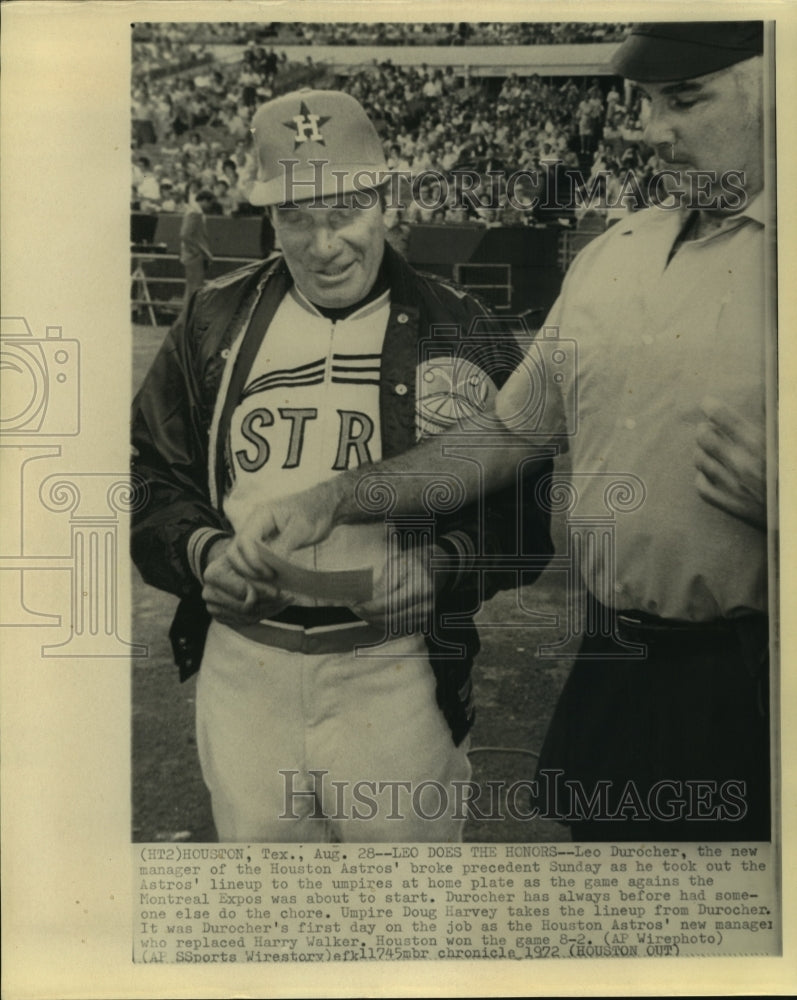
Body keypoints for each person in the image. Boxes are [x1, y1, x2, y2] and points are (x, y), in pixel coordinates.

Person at [231, 24, 773, 842]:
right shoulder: (613, 256)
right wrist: (337, 494)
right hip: (617, 662)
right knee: (621, 944)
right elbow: (504, 435)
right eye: (648, 102)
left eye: (685, 98)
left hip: (762, 673)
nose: (651, 128)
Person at [131, 88, 553, 842]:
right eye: (295, 216)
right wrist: (204, 553)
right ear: (268, 216)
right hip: (244, 671)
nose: (323, 244)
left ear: (385, 200)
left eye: (345, 211)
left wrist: (444, 566)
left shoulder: (461, 325)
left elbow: (526, 510)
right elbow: (149, 479)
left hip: (393, 671)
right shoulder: (211, 318)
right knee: (273, 924)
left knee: (407, 927)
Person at [178, 188, 214, 305]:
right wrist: (199, 252)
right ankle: (187, 321)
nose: (210, 206)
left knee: (191, 290)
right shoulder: (195, 213)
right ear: (204, 201)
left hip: (191, 255)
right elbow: (185, 235)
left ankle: (184, 322)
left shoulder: (193, 211)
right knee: (194, 290)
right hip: (194, 256)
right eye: (210, 203)